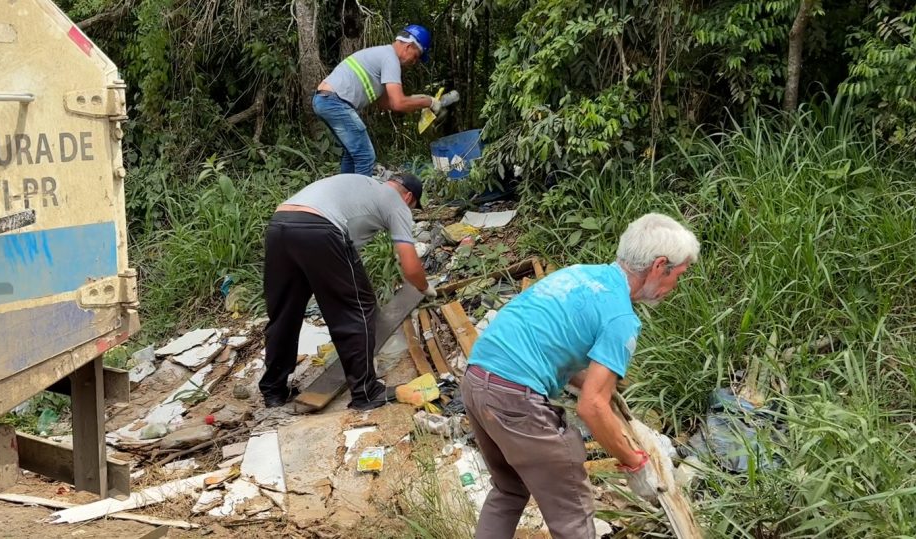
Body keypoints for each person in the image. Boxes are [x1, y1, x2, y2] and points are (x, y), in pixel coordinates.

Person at [461, 213, 700, 539]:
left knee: (509, 489)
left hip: (476, 379)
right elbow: (591, 407)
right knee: (572, 514)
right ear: (660, 266)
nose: (675, 287)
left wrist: (602, 391)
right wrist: (636, 464)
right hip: (514, 397)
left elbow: (552, 347)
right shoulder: (620, 318)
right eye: (679, 275)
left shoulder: (577, 275)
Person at [258, 172, 437, 411]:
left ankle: (274, 391)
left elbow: (341, 257)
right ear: (408, 197)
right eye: (413, 207)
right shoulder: (396, 202)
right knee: (357, 308)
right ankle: (366, 392)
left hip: (280, 224)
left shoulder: (362, 187)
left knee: (284, 312)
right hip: (320, 228)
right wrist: (424, 287)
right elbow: (410, 265)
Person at [314, 24, 458, 176]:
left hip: (325, 100)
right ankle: (362, 192)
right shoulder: (390, 58)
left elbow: (387, 103)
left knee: (352, 154)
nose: (414, 62)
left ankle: (346, 190)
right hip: (335, 102)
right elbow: (398, 103)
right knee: (365, 156)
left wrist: (419, 100)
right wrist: (429, 102)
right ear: (408, 46)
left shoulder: (382, 55)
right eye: (416, 56)